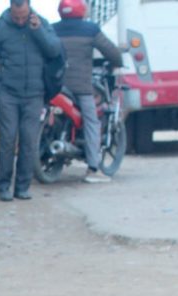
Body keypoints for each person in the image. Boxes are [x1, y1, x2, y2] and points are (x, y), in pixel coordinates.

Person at [0, 0, 61, 202]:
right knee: (7, 140)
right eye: (16, 17)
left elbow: (54, 51)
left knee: (29, 141)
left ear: (29, 9)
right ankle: (3, 187)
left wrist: (38, 31)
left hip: (35, 94)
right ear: (10, 9)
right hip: (7, 93)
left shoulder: (41, 24)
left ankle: (23, 187)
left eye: (23, 16)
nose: (19, 20)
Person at [54, 0, 122, 184]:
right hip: (80, 87)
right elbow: (111, 51)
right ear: (82, 10)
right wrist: (118, 61)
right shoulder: (90, 29)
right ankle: (93, 168)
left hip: (55, 85)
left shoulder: (52, 29)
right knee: (92, 122)